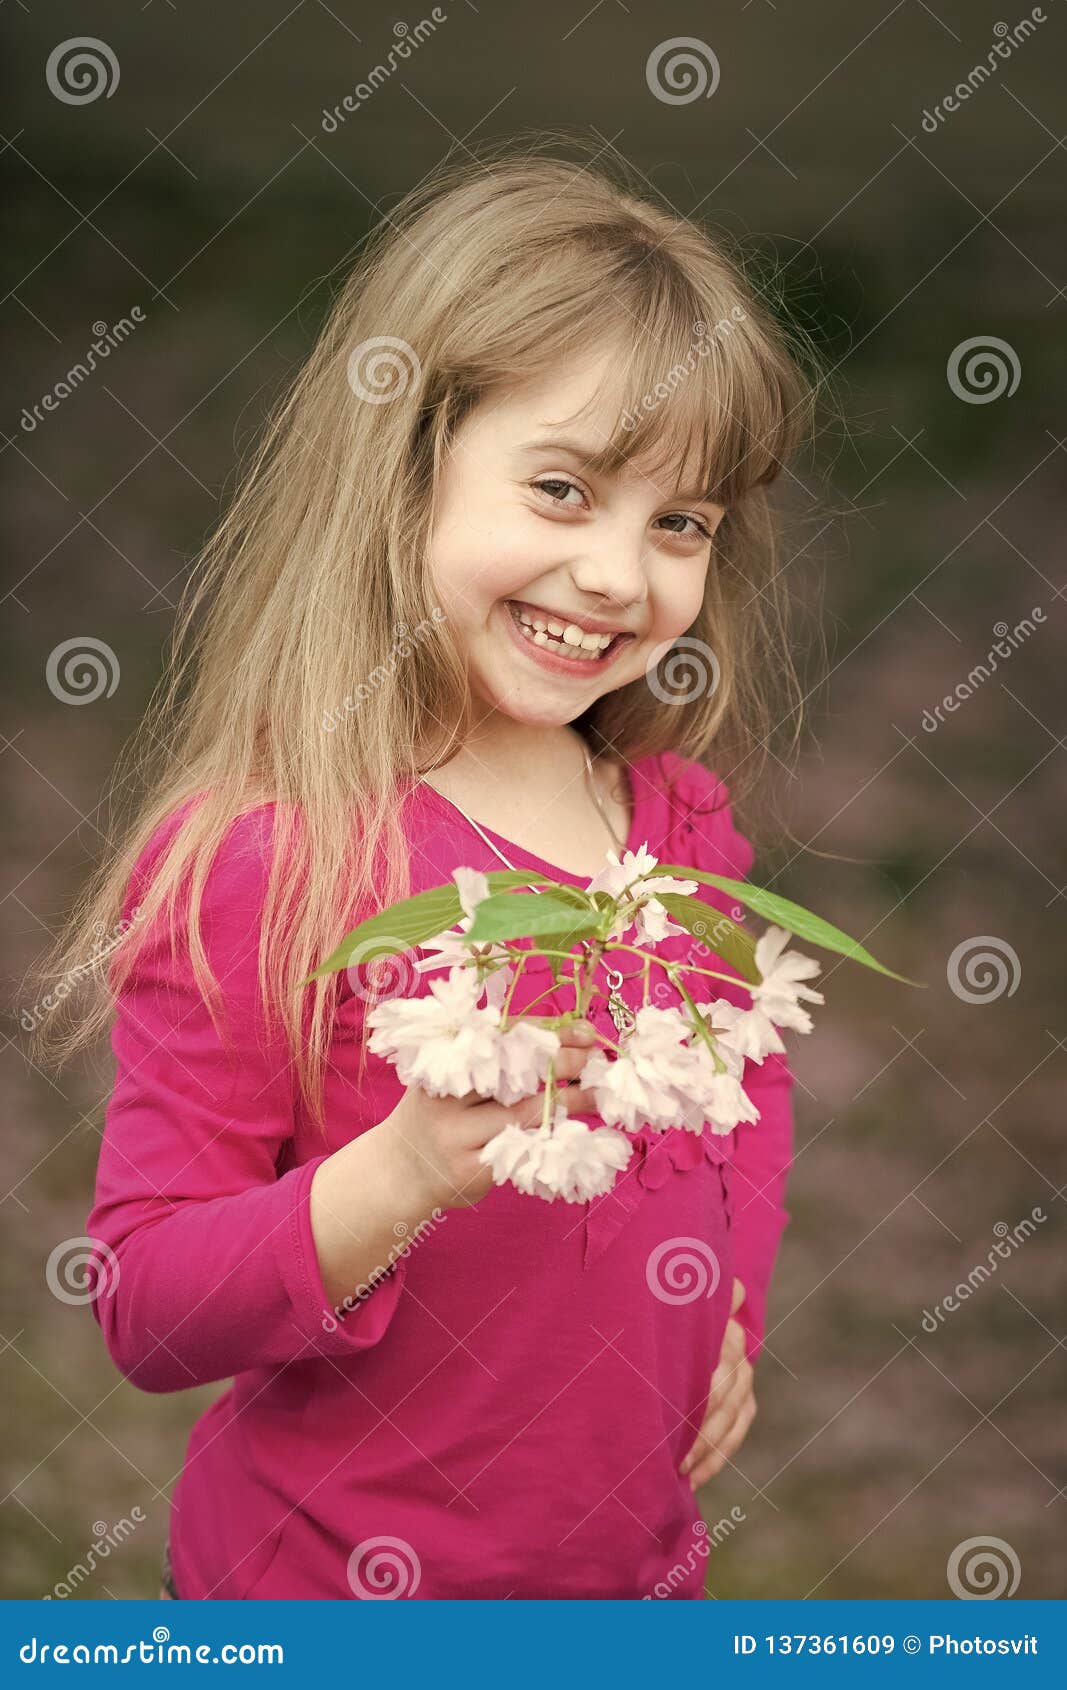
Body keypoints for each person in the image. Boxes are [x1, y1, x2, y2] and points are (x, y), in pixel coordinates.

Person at [34, 138, 818, 1600]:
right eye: (565, 489)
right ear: (406, 471)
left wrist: (732, 1310)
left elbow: (748, 1086)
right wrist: (395, 1172)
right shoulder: (272, 858)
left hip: (628, 1586)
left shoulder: (679, 830)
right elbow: (145, 1303)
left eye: (681, 523)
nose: (617, 574)